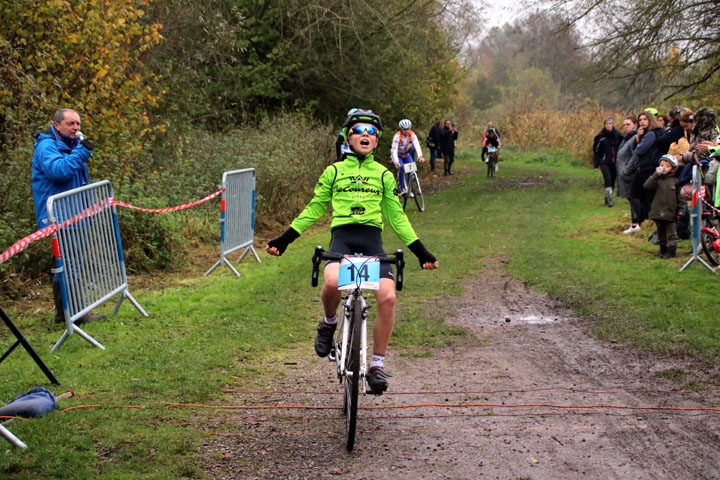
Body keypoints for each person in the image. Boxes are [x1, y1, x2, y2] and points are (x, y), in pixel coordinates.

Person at [264, 109, 438, 394]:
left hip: (372, 240)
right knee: (332, 282)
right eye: (359, 130)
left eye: (371, 132)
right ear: (348, 137)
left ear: (378, 141)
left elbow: (396, 216)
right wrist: (285, 239)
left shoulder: (383, 174)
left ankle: (377, 365)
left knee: (388, 297)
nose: (365, 135)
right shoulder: (334, 171)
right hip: (342, 239)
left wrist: (420, 251)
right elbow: (315, 208)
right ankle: (329, 322)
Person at [31, 109, 106, 325]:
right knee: (69, 265)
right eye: (70, 123)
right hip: (60, 217)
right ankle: (75, 313)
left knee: (70, 264)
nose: (76, 128)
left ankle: (65, 313)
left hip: (75, 214)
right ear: (56, 125)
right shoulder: (47, 146)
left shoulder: (71, 146)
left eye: (78, 124)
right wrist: (81, 153)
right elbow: (59, 171)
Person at [624, 110, 662, 234]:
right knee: (644, 196)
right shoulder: (648, 134)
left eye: (645, 119)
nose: (642, 122)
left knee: (633, 194)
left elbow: (639, 150)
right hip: (646, 167)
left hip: (646, 167)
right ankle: (643, 221)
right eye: (640, 120)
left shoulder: (650, 135)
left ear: (650, 120)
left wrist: (639, 138)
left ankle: (635, 223)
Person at [643, 154, 685, 258]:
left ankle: (671, 251)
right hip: (657, 210)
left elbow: (680, 198)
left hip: (670, 211)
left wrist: (681, 211)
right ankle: (663, 250)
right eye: (662, 165)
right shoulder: (656, 180)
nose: (663, 168)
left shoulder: (675, 182)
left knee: (671, 233)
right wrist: (655, 175)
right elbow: (646, 186)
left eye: (667, 166)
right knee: (660, 232)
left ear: (673, 169)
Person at [593, 118, 623, 207]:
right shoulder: (601, 137)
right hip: (604, 161)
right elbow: (596, 151)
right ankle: (609, 200)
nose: (608, 125)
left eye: (610, 124)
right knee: (608, 178)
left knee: (612, 180)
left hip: (615, 162)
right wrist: (596, 164)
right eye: (606, 124)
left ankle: (607, 196)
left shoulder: (618, 135)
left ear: (613, 125)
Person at [391, 119, 425, 194]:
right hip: (397, 155)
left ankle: (410, 189)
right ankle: (401, 187)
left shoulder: (412, 135)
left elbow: (417, 145)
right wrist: (396, 162)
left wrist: (420, 156)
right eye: (404, 129)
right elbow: (394, 150)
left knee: (412, 169)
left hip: (406, 154)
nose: (406, 131)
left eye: (408, 129)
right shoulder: (397, 137)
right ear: (401, 129)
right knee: (402, 169)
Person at [616, 115, 637, 225]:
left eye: (628, 124)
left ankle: (636, 223)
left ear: (635, 125)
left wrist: (627, 170)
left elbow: (635, 156)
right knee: (630, 199)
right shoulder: (627, 137)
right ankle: (634, 222)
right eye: (624, 125)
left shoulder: (635, 137)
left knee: (634, 199)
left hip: (629, 173)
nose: (625, 127)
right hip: (624, 173)